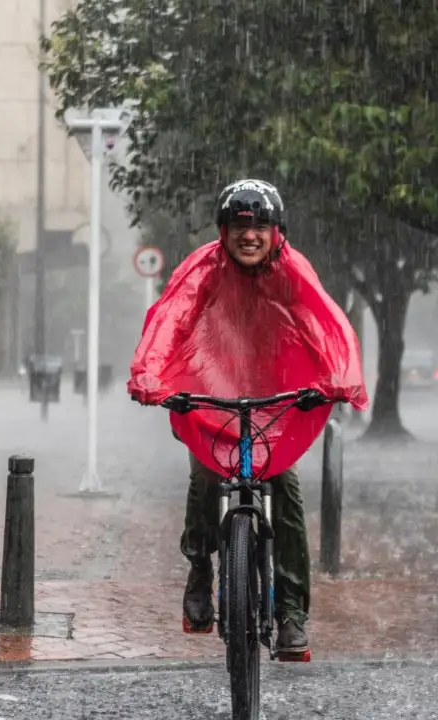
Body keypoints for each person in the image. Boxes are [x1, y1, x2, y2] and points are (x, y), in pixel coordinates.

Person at [128, 178, 367, 654]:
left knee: (287, 491)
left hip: (276, 400)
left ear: (277, 231)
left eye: (260, 225)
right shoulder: (203, 268)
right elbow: (170, 320)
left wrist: (341, 376)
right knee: (204, 474)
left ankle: (292, 614)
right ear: (223, 231)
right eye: (239, 225)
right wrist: (149, 375)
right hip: (212, 392)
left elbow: (327, 323)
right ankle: (200, 570)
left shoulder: (293, 271)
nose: (249, 234)